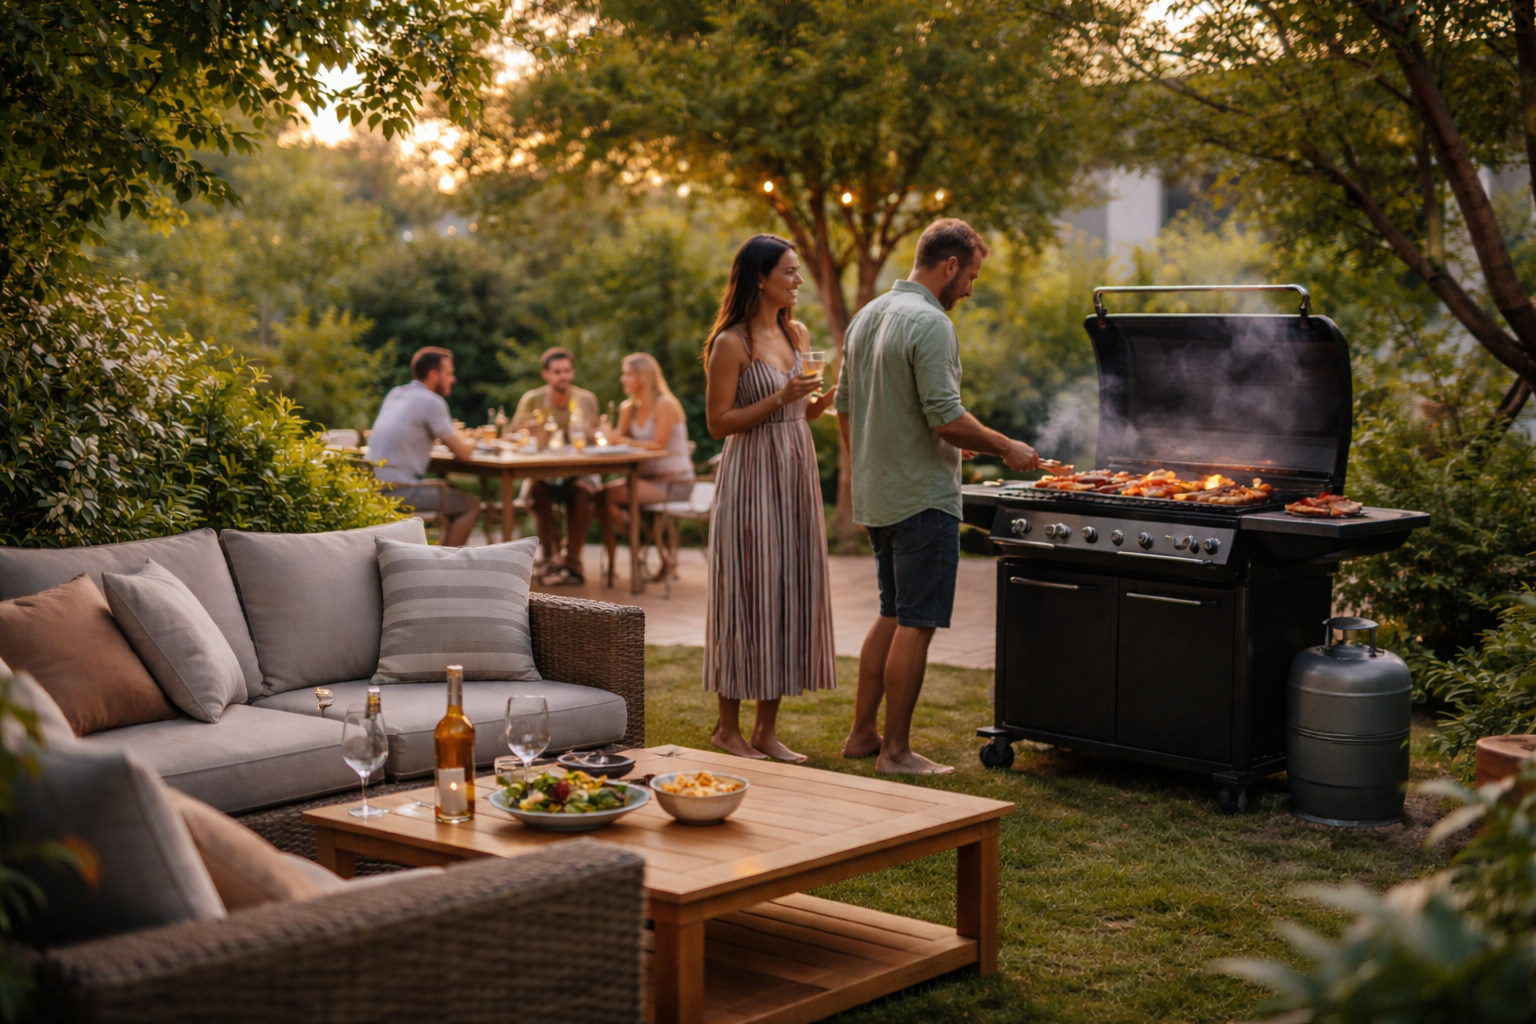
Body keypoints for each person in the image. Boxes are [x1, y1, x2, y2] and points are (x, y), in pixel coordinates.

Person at [835, 218, 1043, 775]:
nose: (972, 288)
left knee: (890, 611)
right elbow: (946, 417)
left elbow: (846, 409)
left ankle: (861, 735)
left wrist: (877, 462)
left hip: (880, 493)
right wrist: (1006, 447)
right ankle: (896, 752)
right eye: (971, 275)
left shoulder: (867, 317)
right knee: (916, 621)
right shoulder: (930, 322)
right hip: (923, 499)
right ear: (948, 265)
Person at [703, 234, 838, 762]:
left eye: (798, 272)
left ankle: (766, 730)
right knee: (747, 591)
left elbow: (802, 415)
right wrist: (780, 396)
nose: (798, 281)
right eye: (789, 272)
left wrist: (822, 400)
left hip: (795, 467)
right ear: (760, 277)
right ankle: (726, 729)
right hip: (751, 473)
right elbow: (718, 424)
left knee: (786, 589)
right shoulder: (731, 343)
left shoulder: (797, 332)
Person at [368, 347, 481, 546]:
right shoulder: (432, 401)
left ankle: (437, 560)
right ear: (433, 374)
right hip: (399, 491)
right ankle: (442, 566)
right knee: (469, 506)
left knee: (449, 492)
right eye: (449, 373)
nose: (453, 379)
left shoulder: (395, 393)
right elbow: (462, 452)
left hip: (372, 487)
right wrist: (477, 438)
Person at [600, 352, 696, 577]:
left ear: (643, 377)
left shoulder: (665, 404)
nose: (623, 379)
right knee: (598, 497)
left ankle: (640, 546)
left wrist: (623, 440)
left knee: (607, 497)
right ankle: (634, 551)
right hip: (645, 480)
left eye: (628, 374)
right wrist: (604, 435)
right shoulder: (628, 408)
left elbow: (659, 444)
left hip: (675, 482)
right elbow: (615, 440)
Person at [512, 347, 603, 584]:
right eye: (557, 372)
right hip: (542, 471)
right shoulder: (532, 399)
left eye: (567, 371)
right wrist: (531, 432)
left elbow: (596, 437)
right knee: (535, 492)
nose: (563, 376)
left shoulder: (586, 399)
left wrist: (592, 433)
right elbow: (514, 435)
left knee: (582, 493)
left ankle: (571, 560)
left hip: (578, 470)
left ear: (572, 372)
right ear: (546, 374)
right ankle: (552, 558)